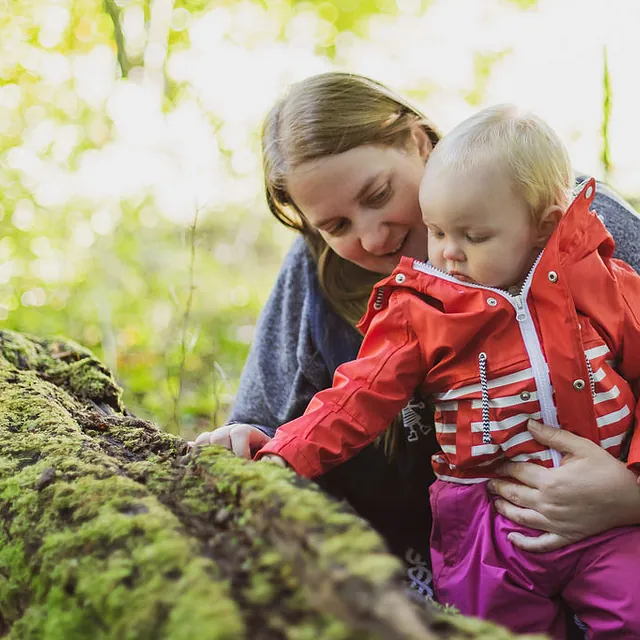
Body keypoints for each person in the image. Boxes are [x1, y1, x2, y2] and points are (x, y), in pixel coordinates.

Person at [193, 73, 640, 617]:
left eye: (379, 195)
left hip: (609, 551)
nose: (374, 237)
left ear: (420, 141)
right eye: (336, 224)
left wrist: (631, 498)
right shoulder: (316, 274)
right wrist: (252, 442)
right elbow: (271, 422)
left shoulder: (565, 220)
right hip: (425, 577)